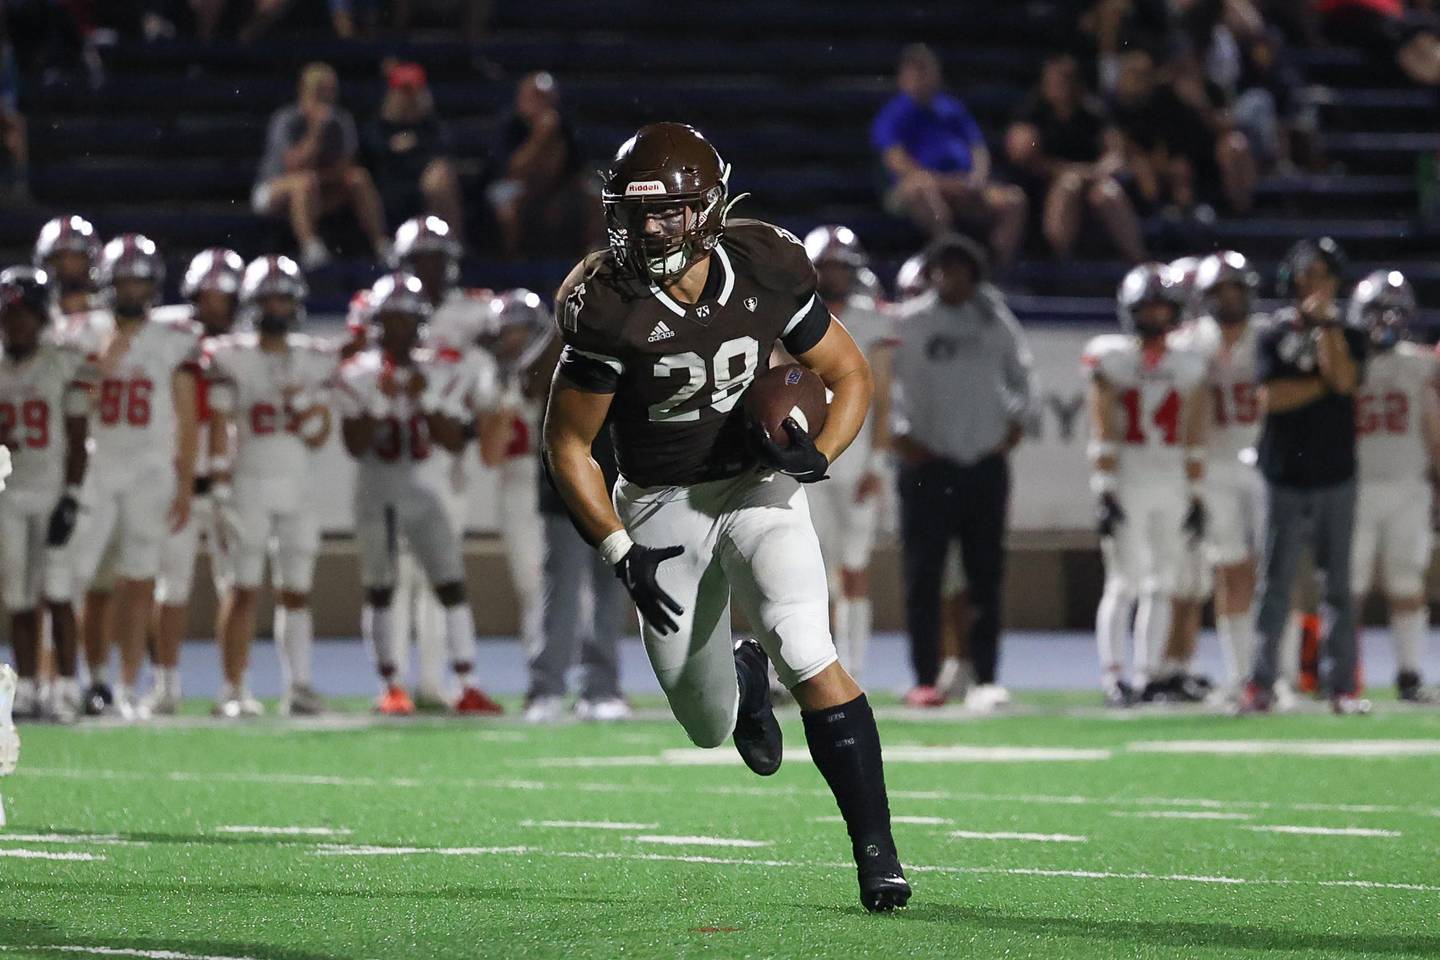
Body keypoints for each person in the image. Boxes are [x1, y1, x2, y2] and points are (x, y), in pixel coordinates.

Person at [544, 122, 909, 911]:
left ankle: (878, 854)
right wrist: (616, 549)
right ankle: (743, 681)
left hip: (754, 485)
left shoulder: (766, 265)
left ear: (708, 209)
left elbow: (845, 373)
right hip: (660, 502)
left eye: (668, 212)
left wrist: (821, 454)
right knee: (707, 724)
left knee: (808, 645)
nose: (649, 230)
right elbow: (569, 444)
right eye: (636, 214)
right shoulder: (606, 302)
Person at [335, 271, 502, 716]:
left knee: (450, 583)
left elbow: (451, 440)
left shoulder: (441, 368)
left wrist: (427, 400)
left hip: (423, 486)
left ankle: (467, 682)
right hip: (377, 485)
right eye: (391, 320)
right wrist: (380, 401)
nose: (399, 330)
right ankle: (390, 684)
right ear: (375, 322)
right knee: (380, 586)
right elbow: (354, 444)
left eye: (407, 320)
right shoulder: (358, 373)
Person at [890, 235, 1033, 712]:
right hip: (926, 464)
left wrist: (1016, 424)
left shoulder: (995, 320)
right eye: (942, 269)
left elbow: (1023, 376)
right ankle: (925, 677)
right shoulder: (908, 323)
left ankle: (986, 677)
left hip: (983, 465)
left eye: (961, 269)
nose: (951, 278)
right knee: (922, 578)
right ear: (929, 274)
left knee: (986, 576)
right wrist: (897, 433)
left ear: (975, 273)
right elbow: (877, 380)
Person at [64, 235, 201, 720]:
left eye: (139, 282)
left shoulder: (172, 339)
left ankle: (126, 686)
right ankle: (83, 679)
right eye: (123, 281)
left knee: (140, 580)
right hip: (99, 465)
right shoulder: (85, 332)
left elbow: (188, 418)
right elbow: (76, 403)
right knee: (80, 578)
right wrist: (105, 357)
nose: (131, 291)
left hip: (149, 470)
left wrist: (184, 482)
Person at [1242, 237, 1369, 715]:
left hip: (1336, 471)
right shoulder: (1273, 333)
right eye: (1307, 275)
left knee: (1337, 585)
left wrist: (1327, 330)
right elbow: (1272, 399)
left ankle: (1342, 687)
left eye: (1323, 275)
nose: (1314, 285)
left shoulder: (1349, 332)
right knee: (1274, 583)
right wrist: (1319, 384)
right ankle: (1260, 684)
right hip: (1284, 472)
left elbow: (1344, 381)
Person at [207, 256, 337, 717]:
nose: (276, 306)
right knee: (242, 589)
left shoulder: (313, 356)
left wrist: (301, 401)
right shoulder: (231, 355)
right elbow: (220, 422)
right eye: (268, 298)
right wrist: (220, 485)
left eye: (284, 297)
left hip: (298, 484)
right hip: (249, 482)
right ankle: (232, 688)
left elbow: (319, 436)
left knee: (297, 589)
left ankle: (298, 685)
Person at [1085, 263, 1208, 707]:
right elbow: (1101, 422)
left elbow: (1195, 429)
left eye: (1161, 308)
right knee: (1123, 582)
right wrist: (1104, 486)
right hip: (1130, 479)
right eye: (1147, 308)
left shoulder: (1189, 363)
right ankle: (1114, 675)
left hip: (1172, 481)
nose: (1154, 317)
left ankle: (1147, 672)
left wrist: (1196, 494)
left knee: (1163, 583)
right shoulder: (1110, 356)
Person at [144, 248, 245, 716]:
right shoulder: (169, 333)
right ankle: (165, 683)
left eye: (226, 295)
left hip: (227, 481)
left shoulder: (243, 347)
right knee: (172, 587)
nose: (217, 303)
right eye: (210, 293)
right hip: (177, 479)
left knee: (235, 586)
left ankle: (233, 688)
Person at [1166, 251, 1268, 703]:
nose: (1228, 299)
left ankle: (1275, 673)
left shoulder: (1270, 335)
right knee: (1230, 570)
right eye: (1219, 291)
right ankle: (1242, 673)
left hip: (1269, 464)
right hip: (1214, 464)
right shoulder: (1188, 343)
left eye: (1234, 289)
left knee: (1274, 572)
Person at [801, 226, 892, 681]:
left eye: (840, 266)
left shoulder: (870, 319)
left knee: (855, 564)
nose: (833, 275)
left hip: (855, 456)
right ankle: (817, 664)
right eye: (826, 266)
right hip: (810, 454)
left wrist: (878, 462)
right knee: (811, 564)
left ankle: (853, 668)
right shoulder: (796, 314)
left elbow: (885, 394)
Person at [0, 266, 89, 722]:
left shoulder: (62, 361)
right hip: (8, 495)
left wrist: (72, 496)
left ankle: (69, 686)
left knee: (58, 592)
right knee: (17, 597)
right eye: (10, 316)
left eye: (25, 316)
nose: (17, 325)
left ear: (41, 318)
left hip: (52, 490)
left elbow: (78, 436)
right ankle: (31, 687)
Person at [1347, 270, 1438, 702]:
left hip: (1407, 485)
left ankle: (1409, 673)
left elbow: (1432, 426)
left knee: (1406, 582)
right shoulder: (1344, 363)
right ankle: (1345, 671)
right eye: (1377, 313)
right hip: (1355, 487)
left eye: (1393, 314)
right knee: (1350, 588)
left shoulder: (1420, 364)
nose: (1384, 323)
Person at [871, 44, 1027, 268]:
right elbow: (898, 162)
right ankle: (951, 264)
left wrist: (976, 179)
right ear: (903, 77)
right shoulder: (892, 115)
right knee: (921, 188)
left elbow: (978, 148)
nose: (922, 78)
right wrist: (944, 183)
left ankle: (996, 270)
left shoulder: (952, 108)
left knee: (1014, 200)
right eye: (916, 72)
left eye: (927, 71)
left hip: (963, 187)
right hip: (918, 189)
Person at [526, 424, 631, 723]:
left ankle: (601, 688)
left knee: (610, 590)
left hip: (616, 484)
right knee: (560, 590)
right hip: (565, 485)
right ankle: (546, 689)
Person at [1005, 54, 1147, 262]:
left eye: (1067, 80)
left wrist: (1095, 172)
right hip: (1044, 185)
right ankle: (1058, 262)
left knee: (1108, 192)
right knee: (1068, 185)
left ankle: (1139, 261)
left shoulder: (1092, 113)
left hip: (1090, 181)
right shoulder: (1033, 112)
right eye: (1056, 80)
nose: (1062, 86)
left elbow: (1115, 154)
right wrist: (1068, 171)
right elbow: (1022, 156)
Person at [252, 62, 390, 270]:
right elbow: (293, 166)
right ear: (304, 91)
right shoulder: (286, 119)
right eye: (319, 92)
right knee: (304, 183)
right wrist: (316, 131)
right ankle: (311, 249)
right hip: (273, 190)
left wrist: (328, 175)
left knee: (358, 178)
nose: (326, 98)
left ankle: (382, 245)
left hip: (320, 187)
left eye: (330, 91)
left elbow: (347, 164)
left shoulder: (341, 120)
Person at [1110, 50, 1256, 217]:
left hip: (1210, 155)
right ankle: (1167, 216)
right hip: (1173, 159)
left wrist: (1200, 104)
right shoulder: (1161, 96)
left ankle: (1240, 212)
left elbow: (1230, 125)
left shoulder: (1212, 88)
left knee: (1236, 144)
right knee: (1175, 169)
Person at [487, 72, 600, 258]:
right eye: (536, 97)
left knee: (595, 198)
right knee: (507, 209)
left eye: (547, 98)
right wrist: (540, 138)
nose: (542, 104)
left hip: (558, 186)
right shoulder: (510, 125)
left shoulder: (564, 124)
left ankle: (591, 259)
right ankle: (510, 263)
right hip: (515, 186)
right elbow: (511, 170)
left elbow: (578, 169)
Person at [364, 62, 464, 238]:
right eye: (403, 91)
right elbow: (374, 152)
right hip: (388, 188)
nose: (408, 98)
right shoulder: (379, 126)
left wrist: (408, 147)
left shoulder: (431, 126)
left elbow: (444, 151)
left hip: (426, 187)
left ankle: (449, 241)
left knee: (441, 176)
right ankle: (382, 247)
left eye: (413, 92)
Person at [33, 215, 101, 317]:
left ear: (89, 259)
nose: (66, 263)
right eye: (57, 257)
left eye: (75, 256)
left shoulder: (108, 306)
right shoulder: (36, 308)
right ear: (45, 261)